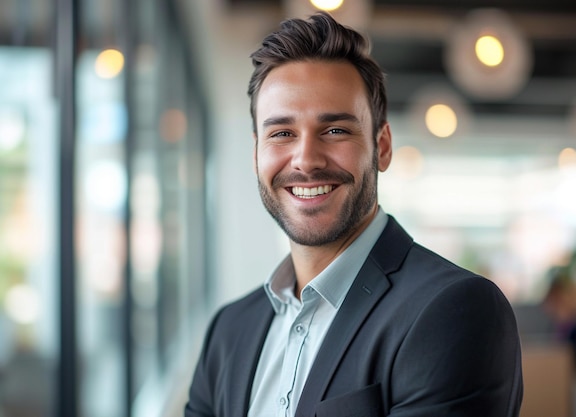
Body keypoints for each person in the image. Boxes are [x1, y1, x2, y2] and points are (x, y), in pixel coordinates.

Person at [185, 11, 523, 417]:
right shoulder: (228, 331)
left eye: (335, 130)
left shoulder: (455, 311)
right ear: (257, 152)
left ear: (381, 146)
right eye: (282, 133)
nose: (306, 160)